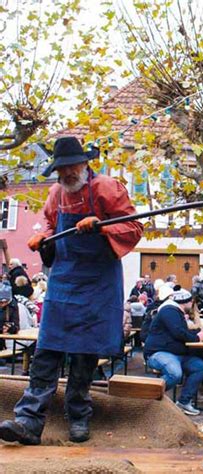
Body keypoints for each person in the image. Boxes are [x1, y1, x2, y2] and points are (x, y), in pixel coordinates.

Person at [0, 136, 143, 446]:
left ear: (84, 163)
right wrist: (44, 240)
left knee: (84, 353)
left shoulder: (108, 188)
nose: (65, 174)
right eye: (60, 169)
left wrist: (101, 225)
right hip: (63, 282)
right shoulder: (56, 193)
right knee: (47, 350)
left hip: (97, 284)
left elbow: (133, 228)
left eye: (70, 167)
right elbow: (50, 225)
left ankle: (79, 415)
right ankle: (28, 420)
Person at [144, 289, 203, 416]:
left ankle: (184, 402)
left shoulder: (174, 311)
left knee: (200, 367)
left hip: (174, 354)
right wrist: (197, 337)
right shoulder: (169, 311)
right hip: (158, 353)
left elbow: (180, 332)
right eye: (192, 302)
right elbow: (178, 332)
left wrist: (197, 334)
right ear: (187, 302)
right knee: (175, 374)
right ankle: (147, 399)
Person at [0, 284, 19, 351]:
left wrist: (10, 328)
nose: (2, 304)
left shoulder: (12, 306)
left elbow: (16, 325)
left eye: (4, 302)